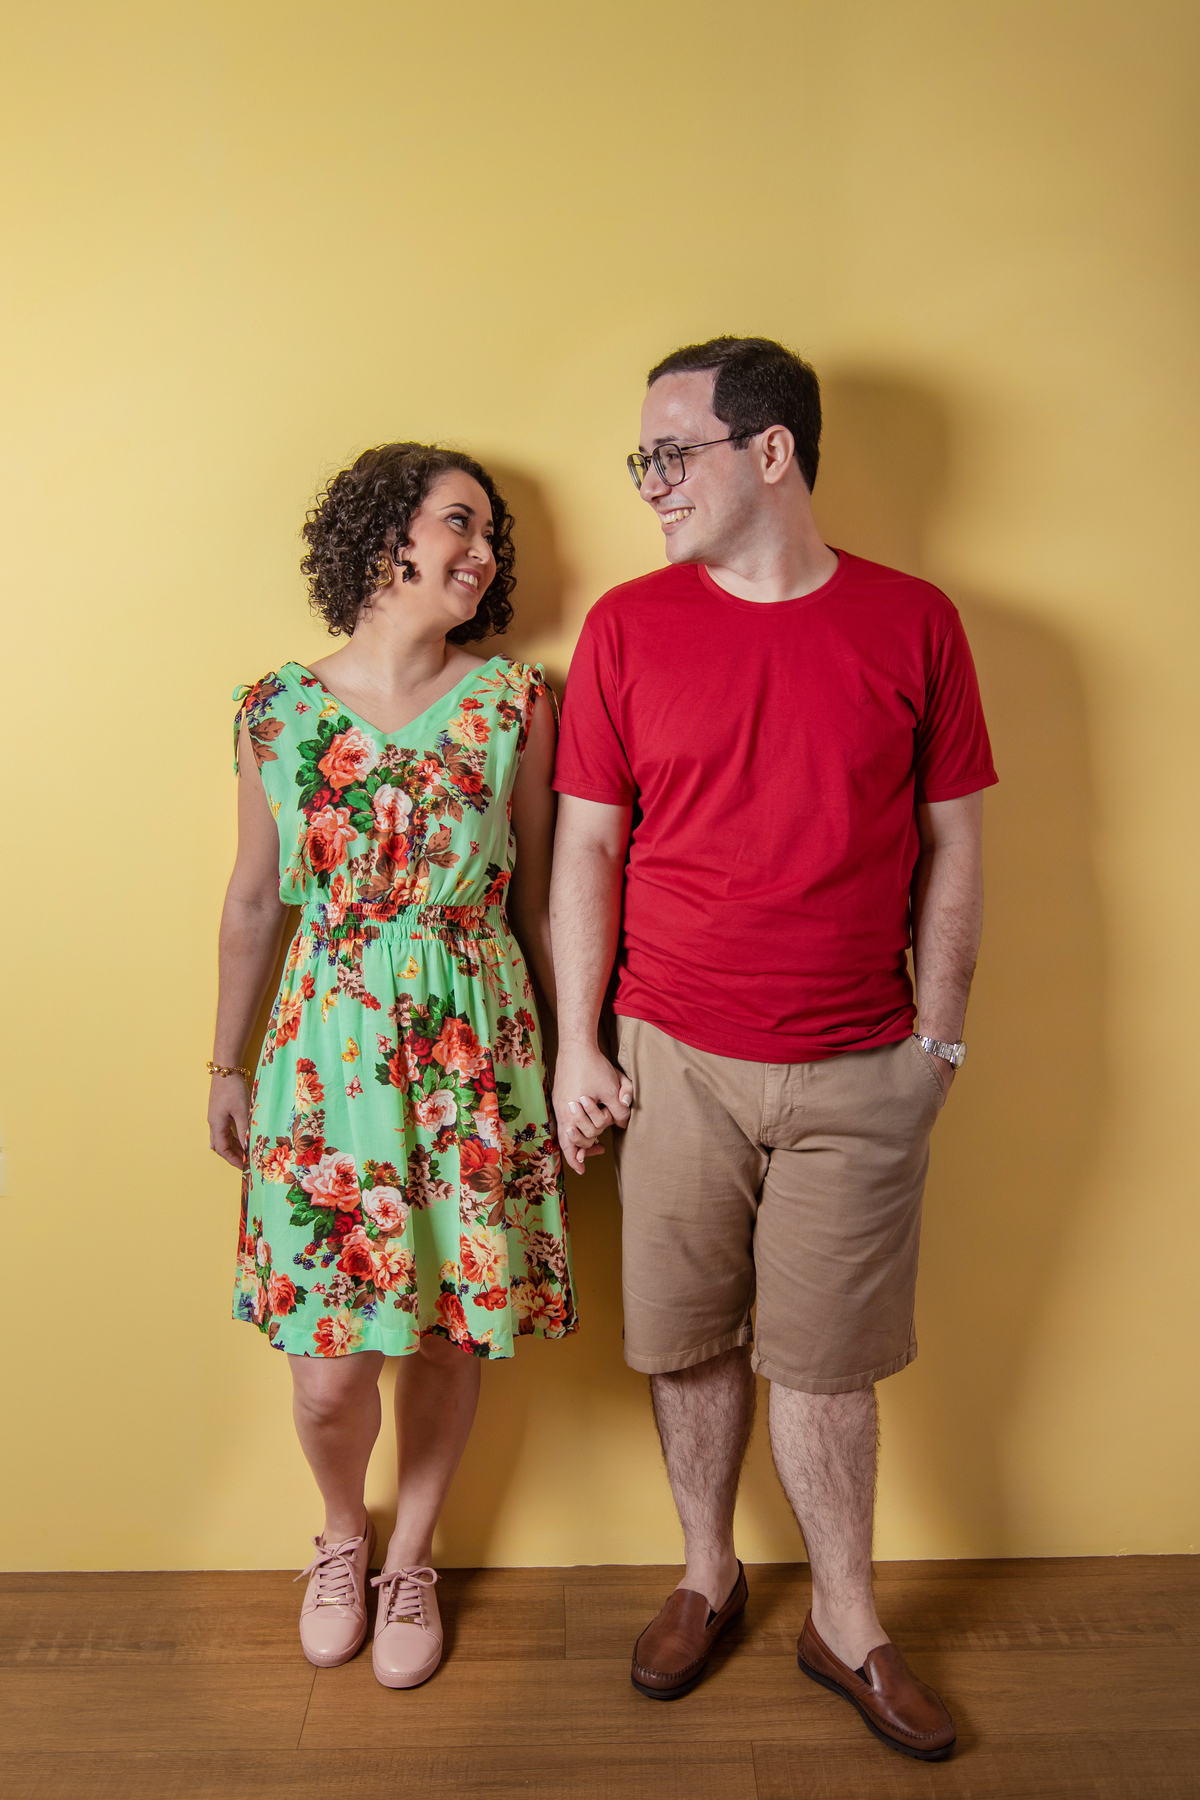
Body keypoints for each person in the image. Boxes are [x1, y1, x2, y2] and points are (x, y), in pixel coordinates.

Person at [549, 337, 995, 1762]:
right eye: (642, 460)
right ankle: (708, 1573)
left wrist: (941, 1040)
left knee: (826, 1364)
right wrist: (578, 1045)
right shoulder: (626, 626)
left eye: (668, 454)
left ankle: (847, 1622)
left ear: (772, 453)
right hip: (670, 1048)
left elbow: (957, 846)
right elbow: (588, 849)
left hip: (867, 1058)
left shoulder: (916, 622)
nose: (649, 485)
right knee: (685, 1343)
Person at [208, 443, 573, 1690]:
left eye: (494, 536)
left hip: (476, 1050)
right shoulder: (274, 710)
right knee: (329, 1376)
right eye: (459, 523)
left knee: (447, 1336)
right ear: (382, 536)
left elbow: (542, 905)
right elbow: (256, 901)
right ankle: (341, 1534)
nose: (482, 553)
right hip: (324, 1057)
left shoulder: (519, 702)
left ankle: (413, 1555)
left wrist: (579, 1051)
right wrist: (225, 1061)